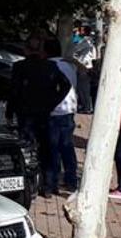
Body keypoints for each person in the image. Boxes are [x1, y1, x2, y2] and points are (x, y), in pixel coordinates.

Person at [5, 32, 73, 198]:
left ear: (26, 49)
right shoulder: (49, 66)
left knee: (27, 148)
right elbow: (65, 85)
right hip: (44, 113)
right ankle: (48, 185)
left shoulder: (20, 67)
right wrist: (51, 102)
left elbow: (14, 91)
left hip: (26, 113)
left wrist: (9, 112)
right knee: (47, 149)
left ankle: (28, 183)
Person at [46, 39, 80, 194]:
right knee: (67, 147)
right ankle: (71, 180)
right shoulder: (68, 65)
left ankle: (52, 181)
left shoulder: (50, 66)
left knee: (53, 148)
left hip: (55, 111)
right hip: (69, 109)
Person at [71, 22, 96, 113]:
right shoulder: (90, 41)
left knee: (84, 88)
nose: (79, 31)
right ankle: (85, 106)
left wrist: (75, 37)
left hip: (84, 67)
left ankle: (87, 107)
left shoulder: (86, 41)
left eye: (81, 30)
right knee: (82, 88)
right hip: (85, 66)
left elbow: (75, 49)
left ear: (85, 32)